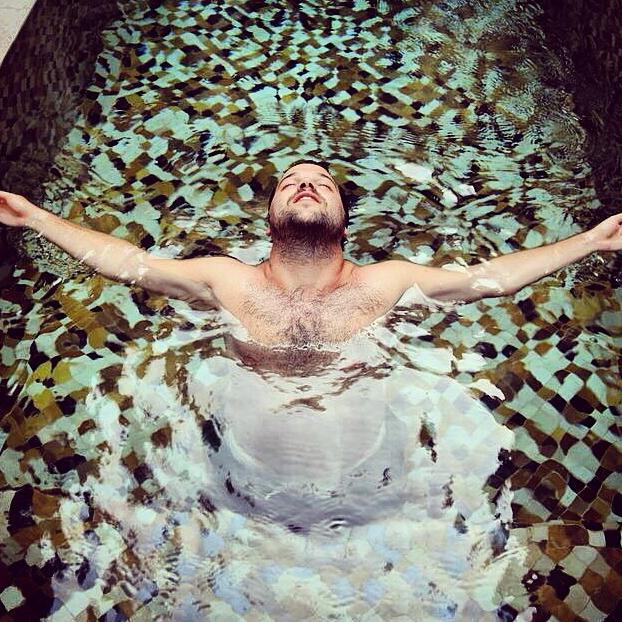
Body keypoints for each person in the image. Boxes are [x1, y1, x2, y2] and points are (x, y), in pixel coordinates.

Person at [1, 160, 621, 346]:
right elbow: (129, 264)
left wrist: (592, 240)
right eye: (291, 183)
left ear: (344, 220)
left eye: (321, 183)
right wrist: (36, 218)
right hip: (240, 469)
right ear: (269, 218)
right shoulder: (225, 278)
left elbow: (491, 279)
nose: (305, 185)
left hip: (366, 472)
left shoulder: (387, 281)